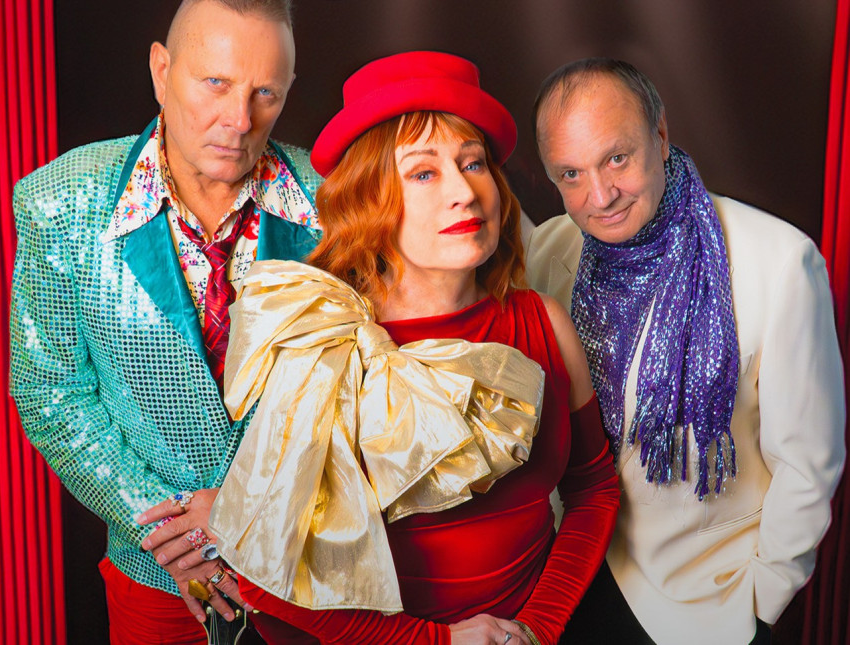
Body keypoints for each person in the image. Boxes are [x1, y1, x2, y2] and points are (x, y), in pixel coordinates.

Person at [202, 51, 620, 645]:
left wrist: (538, 628)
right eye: (423, 173)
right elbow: (265, 576)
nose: (464, 192)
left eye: (472, 163)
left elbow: (593, 489)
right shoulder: (329, 346)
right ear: (370, 198)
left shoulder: (544, 323)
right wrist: (438, 643)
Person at [8, 0, 321, 642]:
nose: (239, 120)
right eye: (216, 83)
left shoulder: (338, 199)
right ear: (161, 70)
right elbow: (49, 393)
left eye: (265, 93)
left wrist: (256, 514)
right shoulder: (59, 201)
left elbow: (372, 390)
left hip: (312, 571)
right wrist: (170, 533)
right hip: (155, 573)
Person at [525, 57, 846, 645]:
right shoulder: (549, 248)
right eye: (570, 174)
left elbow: (808, 464)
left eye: (616, 159)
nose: (600, 195)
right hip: (566, 582)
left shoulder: (780, 262)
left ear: (661, 135)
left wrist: (763, 600)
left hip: (704, 607)